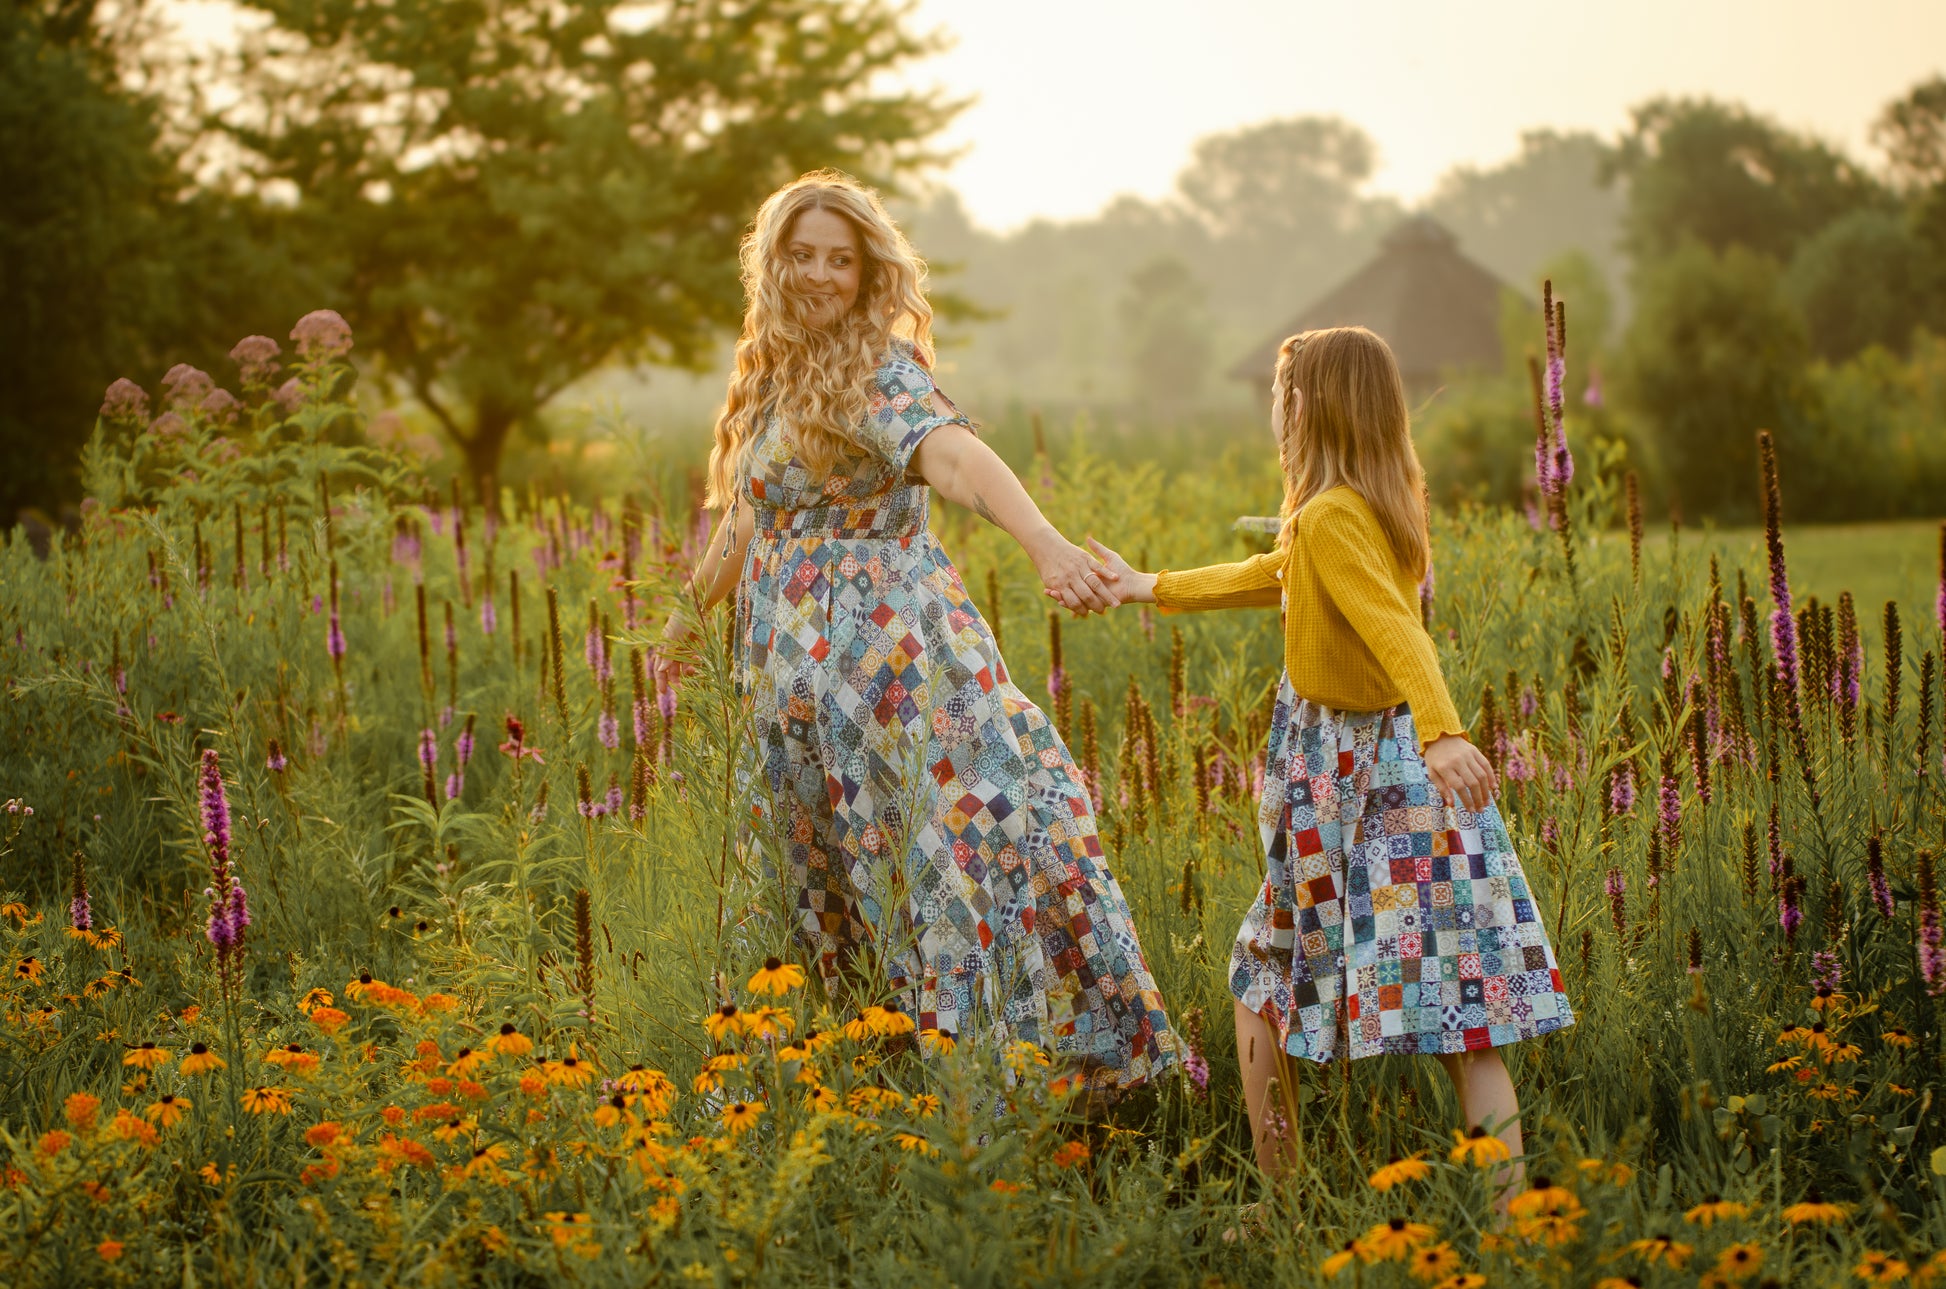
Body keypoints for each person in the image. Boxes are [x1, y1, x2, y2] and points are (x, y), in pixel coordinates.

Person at [662, 171, 1176, 1090]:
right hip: (791, 686)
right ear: (770, 261)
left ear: (868, 274)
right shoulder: (774, 377)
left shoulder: (877, 371)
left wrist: (1047, 545)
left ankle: (991, 1087)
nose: (820, 274)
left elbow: (955, 458)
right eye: (802, 253)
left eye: (841, 259)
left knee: (927, 866)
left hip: (887, 678)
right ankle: (858, 1077)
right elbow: (751, 521)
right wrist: (683, 617)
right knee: (818, 876)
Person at [1087, 326, 1573, 1173]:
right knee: (1464, 1005)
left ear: (1302, 407)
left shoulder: (1330, 515)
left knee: (1264, 976)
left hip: (1352, 778)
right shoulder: (1357, 509)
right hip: (1387, 771)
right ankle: (1512, 1230)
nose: (1275, 413)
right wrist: (1149, 585)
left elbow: (1395, 626)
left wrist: (1445, 726)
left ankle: (1283, 1205)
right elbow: (1274, 571)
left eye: (1281, 398)